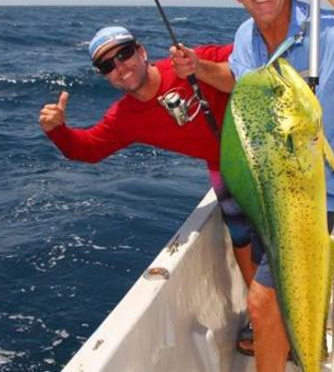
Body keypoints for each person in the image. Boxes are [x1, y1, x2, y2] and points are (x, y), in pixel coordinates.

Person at [172, 0, 334, 371]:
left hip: (308, 205)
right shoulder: (245, 35)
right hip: (266, 196)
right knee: (278, 305)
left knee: (262, 303)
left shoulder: (327, 37)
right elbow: (241, 81)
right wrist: (199, 68)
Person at [38, 27, 257, 287]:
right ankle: (258, 305)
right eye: (108, 65)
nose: (120, 66)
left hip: (264, 151)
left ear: (142, 52)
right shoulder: (124, 118)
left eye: (125, 54)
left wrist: (200, 67)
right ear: (104, 76)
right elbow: (86, 150)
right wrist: (57, 131)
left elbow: (254, 52)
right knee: (241, 235)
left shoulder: (192, 60)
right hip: (222, 168)